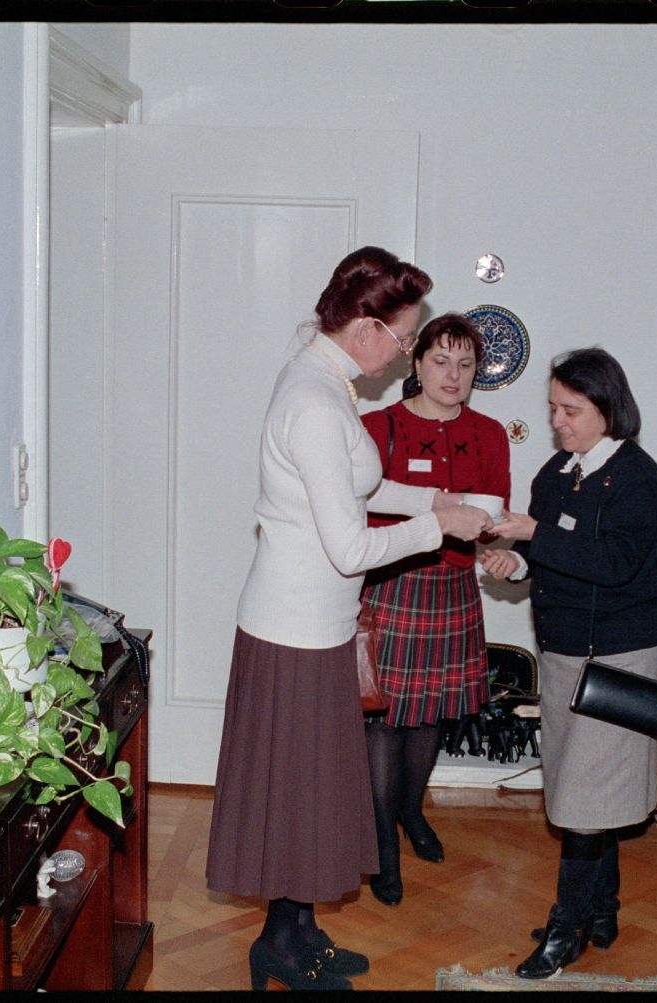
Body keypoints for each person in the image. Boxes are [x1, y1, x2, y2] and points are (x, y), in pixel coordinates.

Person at [204, 246, 492, 992]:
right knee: (292, 792)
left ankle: (294, 932)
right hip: (292, 627)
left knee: (306, 791)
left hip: (319, 626)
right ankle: (280, 944)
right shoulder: (315, 401)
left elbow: (366, 481)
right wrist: (441, 529)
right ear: (364, 325)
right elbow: (350, 546)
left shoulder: (328, 383)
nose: (403, 356)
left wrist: (435, 501)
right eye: (402, 340)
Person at [480, 346, 657, 981]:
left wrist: (534, 537)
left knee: (586, 795)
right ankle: (602, 911)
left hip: (620, 658)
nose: (559, 421)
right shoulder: (557, 473)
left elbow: (615, 566)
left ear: (608, 409)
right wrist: (520, 564)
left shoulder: (640, 480)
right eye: (554, 408)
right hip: (565, 654)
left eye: (572, 409)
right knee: (584, 787)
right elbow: (558, 555)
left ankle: (566, 931)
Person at [358, 312, 512, 907]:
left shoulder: (490, 432)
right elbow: (361, 513)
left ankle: (409, 811)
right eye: (441, 361)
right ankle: (382, 842)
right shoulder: (378, 426)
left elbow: (495, 517)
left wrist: (504, 553)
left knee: (430, 715)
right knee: (384, 715)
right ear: (416, 363)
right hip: (391, 584)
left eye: (466, 364)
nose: (453, 375)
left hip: (451, 587)